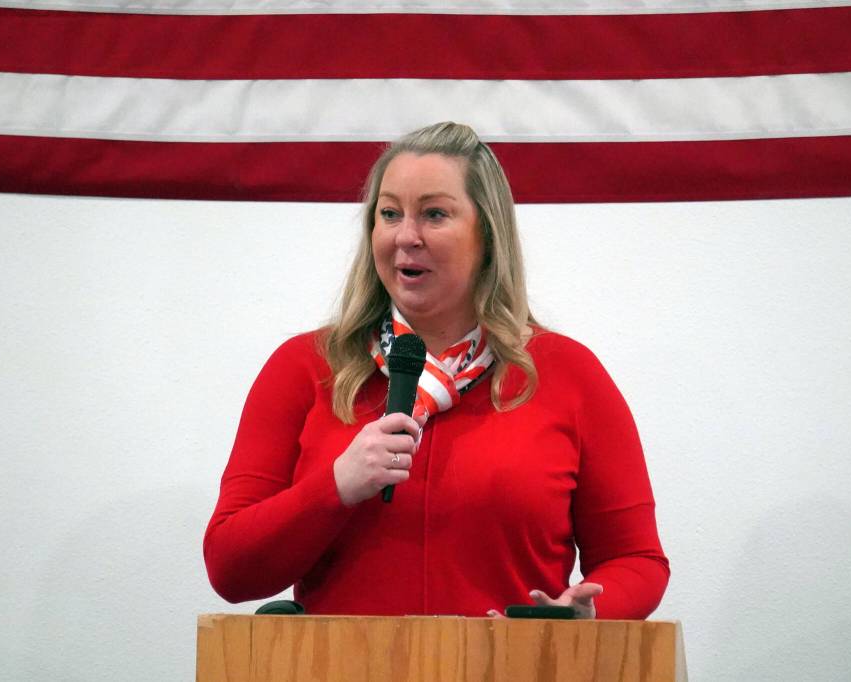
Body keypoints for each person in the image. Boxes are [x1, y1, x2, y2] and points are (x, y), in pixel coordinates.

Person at [204, 122, 669, 619]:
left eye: (434, 214)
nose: (407, 236)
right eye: (389, 214)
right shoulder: (305, 367)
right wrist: (336, 486)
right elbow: (231, 567)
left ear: (486, 233)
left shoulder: (567, 373)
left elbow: (636, 560)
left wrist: (588, 614)